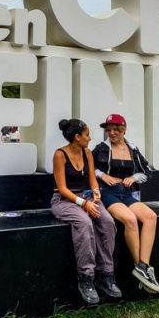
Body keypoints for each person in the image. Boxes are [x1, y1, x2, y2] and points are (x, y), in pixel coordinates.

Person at [51, 118, 119, 305]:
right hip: (64, 200)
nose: (90, 138)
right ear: (77, 137)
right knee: (85, 223)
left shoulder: (87, 153)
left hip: (86, 197)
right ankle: (86, 278)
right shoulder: (60, 155)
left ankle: (105, 274)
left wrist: (96, 192)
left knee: (107, 222)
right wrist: (84, 204)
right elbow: (62, 188)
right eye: (87, 135)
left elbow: (92, 180)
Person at [92, 114, 159, 294]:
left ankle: (143, 266)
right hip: (108, 193)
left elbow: (146, 171)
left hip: (127, 193)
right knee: (130, 220)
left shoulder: (133, 149)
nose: (111, 133)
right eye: (108, 130)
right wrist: (102, 175)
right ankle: (141, 269)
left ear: (123, 129)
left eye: (115, 129)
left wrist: (133, 177)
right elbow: (89, 167)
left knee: (151, 217)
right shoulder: (101, 148)